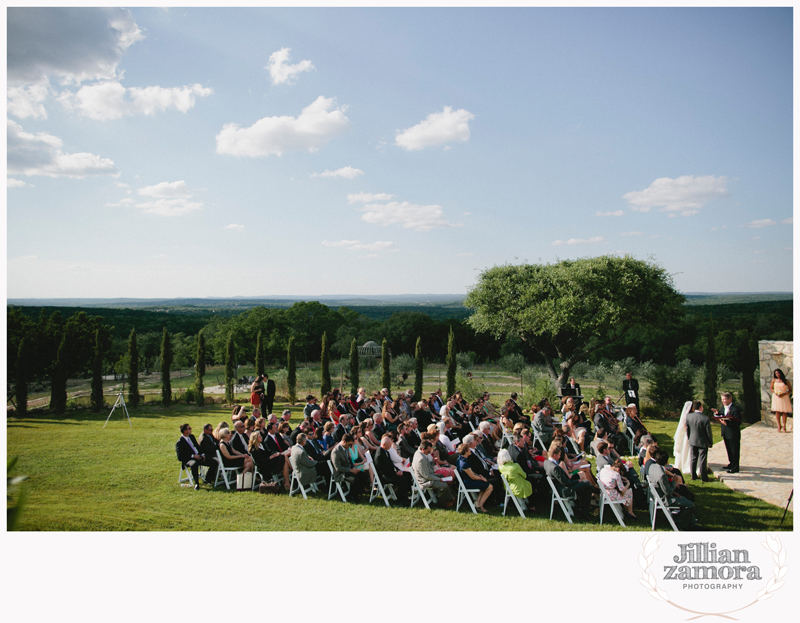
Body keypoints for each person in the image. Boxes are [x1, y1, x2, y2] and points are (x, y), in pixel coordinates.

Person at [647, 448, 698, 530]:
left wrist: (674, 492)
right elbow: (668, 492)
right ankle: (681, 524)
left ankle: (692, 524)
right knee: (690, 504)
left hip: (658, 495)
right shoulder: (661, 475)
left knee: (684, 498)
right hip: (664, 499)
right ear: (666, 461)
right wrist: (674, 482)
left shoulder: (652, 466)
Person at [543, 445, 593, 518]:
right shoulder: (555, 467)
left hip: (562, 485)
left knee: (586, 484)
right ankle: (584, 512)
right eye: (559, 455)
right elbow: (565, 482)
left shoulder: (546, 462)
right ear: (554, 455)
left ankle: (581, 507)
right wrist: (577, 481)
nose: (560, 457)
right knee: (587, 484)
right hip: (564, 490)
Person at [412, 440, 454, 508]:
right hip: (424, 481)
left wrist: (433, 462)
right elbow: (427, 476)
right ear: (423, 449)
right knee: (444, 486)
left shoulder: (419, 452)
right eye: (428, 451)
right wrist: (439, 479)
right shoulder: (421, 459)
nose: (429, 453)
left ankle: (450, 499)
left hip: (428, 476)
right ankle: (440, 503)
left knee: (443, 476)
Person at [330, 434, 370, 503]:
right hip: (341, 473)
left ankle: (358, 492)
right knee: (355, 480)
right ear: (344, 441)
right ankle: (352, 496)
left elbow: (349, 460)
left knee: (364, 476)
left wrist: (354, 468)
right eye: (349, 444)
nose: (350, 446)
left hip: (349, 470)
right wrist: (351, 470)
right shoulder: (336, 452)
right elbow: (338, 468)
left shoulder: (346, 447)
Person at [455, 443, 493, 513]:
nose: (470, 450)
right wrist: (481, 478)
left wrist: (480, 476)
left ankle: (477, 502)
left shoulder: (461, 459)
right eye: (468, 449)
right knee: (490, 487)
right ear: (466, 451)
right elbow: (472, 476)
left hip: (468, 480)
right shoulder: (464, 463)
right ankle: (480, 505)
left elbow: (471, 472)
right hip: (468, 483)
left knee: (485, 484)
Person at [374, 436, 412, 505]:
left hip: (390, 472)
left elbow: (391, 464)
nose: (390, 447)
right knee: (402, 480)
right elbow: (383, 470)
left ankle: (405, 496)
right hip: (385, 476)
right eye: (389, 445)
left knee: (408, 475)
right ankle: (400, 499)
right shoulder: (379, 455)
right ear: (384, 445)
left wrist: (398, 470)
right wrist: (395, 473)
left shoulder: (386, 452)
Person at [175, 423, 214, 490]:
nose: (191, 429)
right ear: (185, 431)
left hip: (198, 456)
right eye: (189, 428)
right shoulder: (180, 442)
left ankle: (208, 479)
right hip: (189, 459)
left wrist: (202, 454)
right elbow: (180, 457)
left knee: (214, 462)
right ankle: (196, 483)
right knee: (194, 464)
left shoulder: (191, 437)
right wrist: (193, 456)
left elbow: (197, 447)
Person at [711, 392, 742, 473]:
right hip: (725, 432)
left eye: (724, 399)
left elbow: (738, 422)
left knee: (734, 450)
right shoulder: (723, 407)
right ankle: (731, 463)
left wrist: (727, 424)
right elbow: (722, 416)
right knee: (729, 449)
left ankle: (735, 467)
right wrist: (717, 414)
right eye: (722, 399)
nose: (723, 401)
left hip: (733, 433)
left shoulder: (735, 409)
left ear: (730, 399)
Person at [685, 400, 712, 482]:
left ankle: (693, 475)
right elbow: (708, 432)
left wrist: (689, 438)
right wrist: (710, 442)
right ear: (701, 407)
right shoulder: (705, 418)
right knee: (702, 459)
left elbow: (687, 429)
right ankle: (704, 477)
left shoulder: (688, 416)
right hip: (702, 442)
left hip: (692, 440)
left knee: (693, 458)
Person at [770, 369, 793, 433]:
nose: (778, 375)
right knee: (777, 411)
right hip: (776, 396)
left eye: (779, 373)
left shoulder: (786, 381)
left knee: (784, 411)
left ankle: (784, 426)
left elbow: (790, 389)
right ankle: (779, 425)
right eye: (776, 373)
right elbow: (771, 388)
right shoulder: (774, 380)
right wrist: (775, 392)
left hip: (784, 396)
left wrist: (784, 393)